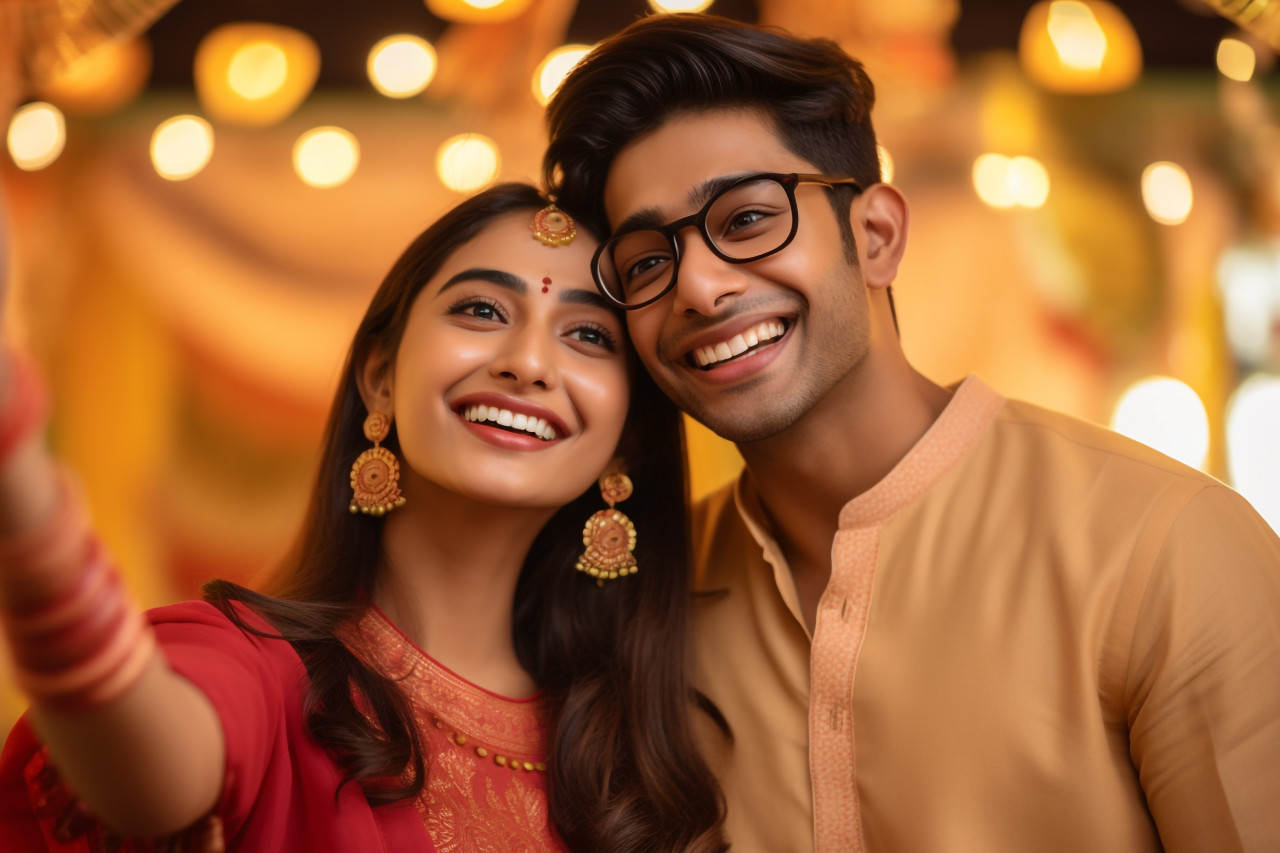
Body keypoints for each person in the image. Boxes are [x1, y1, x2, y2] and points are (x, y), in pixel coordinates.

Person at [542, 13, 1280, 853]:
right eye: (646, 261)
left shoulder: (1165, 550)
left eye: (747, 219)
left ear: (877, 235)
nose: (699, 288)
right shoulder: (648, 609)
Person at [0, 182, 726, 851]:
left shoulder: (646, 754)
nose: (529, 361)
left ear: (625, 443)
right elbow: (142, 775)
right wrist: (20, 484)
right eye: (481, 309)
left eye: (589, 336)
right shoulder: (258, 675)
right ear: (380, 378)